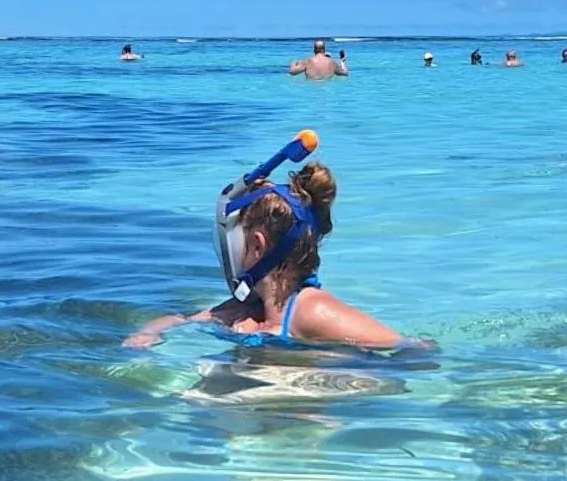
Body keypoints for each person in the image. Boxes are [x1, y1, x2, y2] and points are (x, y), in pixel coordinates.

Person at [124, 131, 407, 350]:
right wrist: (148, 332)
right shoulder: (245, 307)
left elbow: (410, 350)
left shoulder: (310, 309)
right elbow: (180, 320)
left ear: (257, 246)